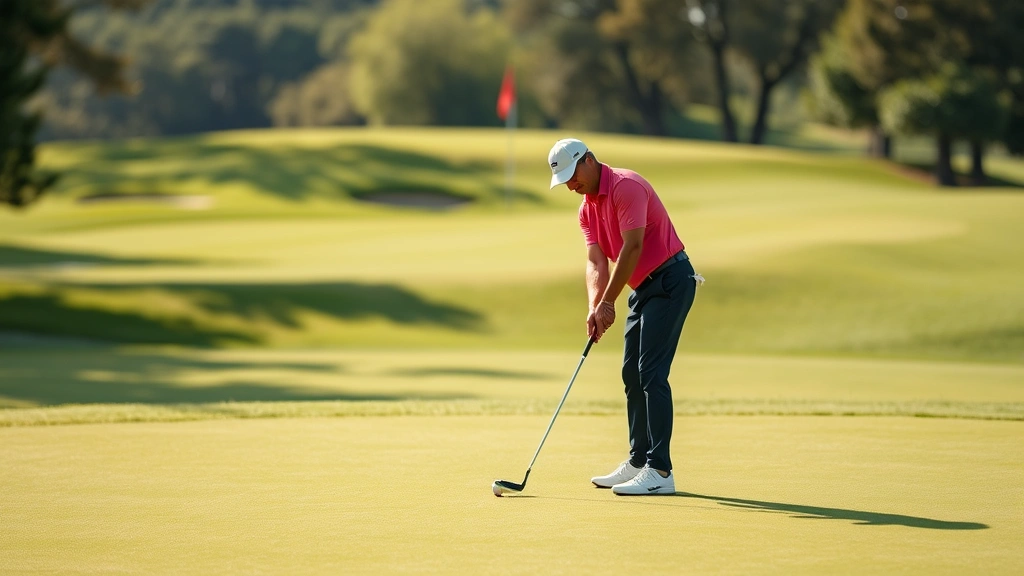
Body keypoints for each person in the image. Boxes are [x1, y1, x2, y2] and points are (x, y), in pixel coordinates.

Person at [547, 138, 702, 496]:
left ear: (588, 160)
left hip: (671, 280)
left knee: (651, 372)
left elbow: (631, 248)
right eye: (565, 181)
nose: (571, 185)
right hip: (642, 289)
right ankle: (638, 460)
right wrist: (594, 304)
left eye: (573, 176)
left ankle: (660, 470)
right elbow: (596, 261)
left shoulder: (626, 187)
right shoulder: (587, 209)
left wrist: (609, 303)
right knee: (631, 373)